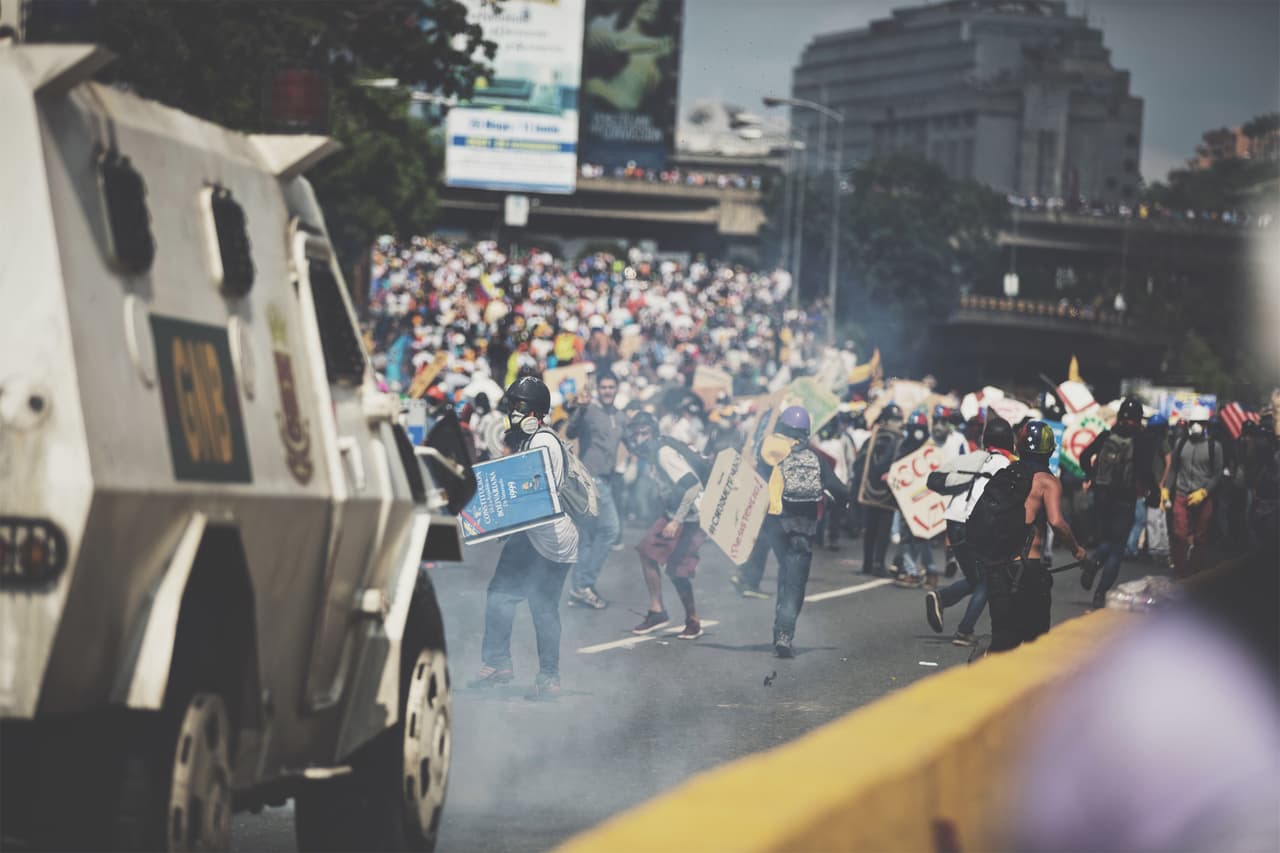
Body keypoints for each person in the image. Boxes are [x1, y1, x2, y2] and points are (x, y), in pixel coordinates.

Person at [470, 376, 580, 700]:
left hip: (544, 537)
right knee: (534, 604)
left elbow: (534, 493)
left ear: (535, 412)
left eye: (518, 406)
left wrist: (502, 520)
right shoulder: (539, 440)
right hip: (547, 536)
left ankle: (502, 664)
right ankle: (540, 676)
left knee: (510, 598)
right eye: (512, 405)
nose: (513, 413)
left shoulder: (541, 442)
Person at [973, 421, 1087, 653]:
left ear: (1019, 446)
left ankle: (985, 671)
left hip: (997, 566)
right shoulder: (1047, 481)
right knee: (1036, 640)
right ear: (1050, 451)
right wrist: (1077, 551)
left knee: (1002, 638)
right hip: (1028, 569)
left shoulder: (1007, 474)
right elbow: (1057, 522)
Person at [751, 407, 849, 657]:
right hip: (803, 528)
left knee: (785, 571)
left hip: (775, 525)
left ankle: (779, 626)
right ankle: (784, 633)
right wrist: (843, 505)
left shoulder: (768, 451)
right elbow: (838, 488)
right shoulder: (813, 457)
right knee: (795, 582)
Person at [924, 415, 1015, 646]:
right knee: (988, 579)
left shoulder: (971, 458)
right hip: (977, 524)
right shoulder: (1007, 466)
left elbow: (935, 478)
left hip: (953, 521)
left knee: (976, 578)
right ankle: (965, 631)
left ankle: (941, 598)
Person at [624, 412, 708, 639]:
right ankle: (657, 611)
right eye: (637, 434)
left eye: (645, 433)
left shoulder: (663, 454)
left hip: (692, 515)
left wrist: (676, 520)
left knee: (678, 570)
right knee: (647, 551)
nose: (640, 438)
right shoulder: (654, 452)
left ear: (653, 432)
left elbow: (692, 486)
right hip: (674, 511)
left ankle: (692, 620)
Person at [564, 372, 624, 609]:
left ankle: (579, 587)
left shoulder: (620, 416)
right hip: (591, 479)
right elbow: (571, 432)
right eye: (604, 387)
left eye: (611, 387)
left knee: (588, 536)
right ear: (598, 389)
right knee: (610, 530)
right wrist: (580, 409)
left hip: (606, 479)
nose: (608, 391)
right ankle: (585, 584)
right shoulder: (589, 411)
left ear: (617, 388)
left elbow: (632, 441)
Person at [1079, 397, 1145, 609]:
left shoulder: (1106, 436)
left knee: (1106, 538)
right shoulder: (1140, 440)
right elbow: (1146, 470)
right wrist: (1151, 490)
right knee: (1117, 548)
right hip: (1125, 499)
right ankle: (1100, 593)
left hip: (1102, 496)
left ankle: (1094, 563)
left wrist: (1092, 475)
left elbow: (1084, 456)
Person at [1164, 405, 1223, 577]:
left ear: (1206, 425)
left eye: (1200, 422)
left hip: (1203, 497)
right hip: (1182, 494)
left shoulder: (1214, 447)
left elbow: (1217, 475)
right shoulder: (1181, 443)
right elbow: (1174, 469)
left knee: (1200, 536)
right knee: (1179, 534)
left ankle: (1196, 571)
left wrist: (1205, 492)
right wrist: (1166, 489)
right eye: (1194, 422)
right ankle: (1180, 570)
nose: (1196, 426)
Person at [856, 403, 904, 577]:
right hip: (887, 491)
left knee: (870, 528)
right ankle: (878, 563)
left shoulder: (872, 437)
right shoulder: (899, 439)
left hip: (869, 489)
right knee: (883, 529)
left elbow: (860, 462)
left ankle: (867, 563)